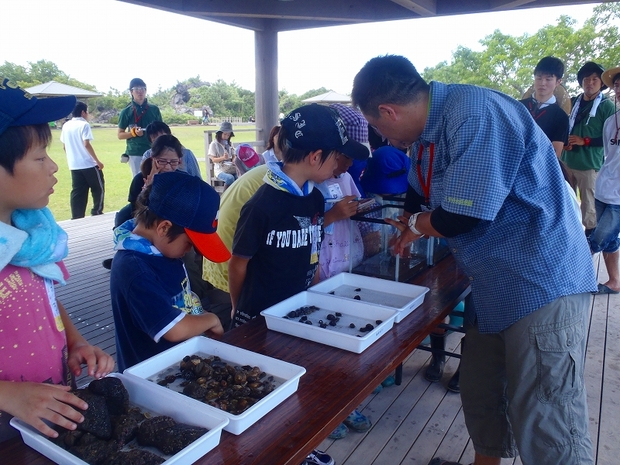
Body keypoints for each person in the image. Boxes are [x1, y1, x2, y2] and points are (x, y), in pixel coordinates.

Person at [352, 55, 597, 465]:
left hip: (539, 281)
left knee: (547, 415)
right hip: (492, 282)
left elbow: (462, 215)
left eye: (378, 127)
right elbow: (418, 191)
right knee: (483, 392)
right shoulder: (427, 133)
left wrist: (415, 222)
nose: (384, 137)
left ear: (388, 111)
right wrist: (413, 222)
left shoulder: (473, 113)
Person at [0, 78, 115, 443]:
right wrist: (8, 395)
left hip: (52, 410)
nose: (53, 167)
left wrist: (76, 341)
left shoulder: (33, 238)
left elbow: (44, 298)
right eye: (39, 157)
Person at [228, 104, 368, 328]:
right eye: (336, 157)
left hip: (297, 311)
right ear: (315, 157)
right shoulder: (261, 206)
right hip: (259, 318)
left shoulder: (314, 199)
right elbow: (237, 263)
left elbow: (313, 255)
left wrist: (313, 296)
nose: (339, 165)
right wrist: (237, 308)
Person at [110, 170, 230, 371]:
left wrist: (200, 318)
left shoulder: (163, 250)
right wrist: (210, 319)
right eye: (190, 243)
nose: (191, 251)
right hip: (151, 376)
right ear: (164, 228)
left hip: (178, 364)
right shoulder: (135, 268)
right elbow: (174, 330)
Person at [562, 62, 615, 235]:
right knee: (565, 202)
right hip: (567, 161)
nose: (590, 83)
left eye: (594, 79)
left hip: (589, 165)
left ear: (601, 84)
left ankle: (589, 247)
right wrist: (566, 141)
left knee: (589, 209)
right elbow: (563, 127)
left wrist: (584, 141)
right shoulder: (573, 102)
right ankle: (569, 237)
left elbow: (611, 138)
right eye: (586, 79)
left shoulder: (607, 107)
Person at [589, 66, 620, 295]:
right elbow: (609, 157)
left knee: (596, 239)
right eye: (617, 85)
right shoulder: (611, 121)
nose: (619, 89)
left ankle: (571, 276)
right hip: (603, 189)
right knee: (609, 240)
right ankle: (614, 281)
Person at [60, 101, 105, 219]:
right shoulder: (84, 125)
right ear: (83, 112)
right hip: (88, 164)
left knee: (78, 191)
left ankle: (77, 216)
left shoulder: (66, 125)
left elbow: (64, 146)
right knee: (98, 188)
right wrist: (97, 161)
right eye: (87, 112)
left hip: (74, 165)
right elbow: (86, 144)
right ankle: (97, 211)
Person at [519, 56, 570, 158]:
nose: (542, 83)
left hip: (539, 169)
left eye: (548, 79)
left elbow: (555, 154)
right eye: (539, 78)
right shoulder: (518, 106)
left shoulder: (561, 117)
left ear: (558, 82)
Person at [117, 78, 163, 177]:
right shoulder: (126, 112)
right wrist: (133, 133)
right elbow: (120, 135)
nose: (140, 91)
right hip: (135, 152)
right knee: (139, 180)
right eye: (136, 89)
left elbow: (162, 131)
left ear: (146, 91)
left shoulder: (154, 109)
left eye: (142, 88)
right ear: (131, 92)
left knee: (156, 178)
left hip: (154, 150)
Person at [208, 121, 236, 187]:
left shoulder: (229, 144)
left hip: (230, 167)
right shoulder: (214, 144)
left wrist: (233, 160)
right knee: (230, 178)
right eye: (225, 134)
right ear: (220, 133)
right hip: (220, 169)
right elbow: (214, 160)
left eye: (228, 135)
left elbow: (234, 155)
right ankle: (226, 195)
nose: (226, 136)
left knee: (239, 176)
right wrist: (223, 158)